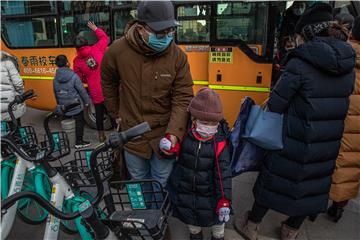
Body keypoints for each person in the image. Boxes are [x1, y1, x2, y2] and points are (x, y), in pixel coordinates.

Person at [234, 3, 356, 240]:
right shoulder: (348, 65)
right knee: (312, 185)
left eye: (297, 35)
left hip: (292, 137)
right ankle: (291, 230)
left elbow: (277, 104)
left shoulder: (299, 63)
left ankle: (251, 225)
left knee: (272, 180)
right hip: (327, 141)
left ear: (307, 34)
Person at [100, 1, 193, 188]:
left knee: (160, 182)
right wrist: (115, 113)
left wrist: (174, 133)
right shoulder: (116, 51)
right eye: (160, 32)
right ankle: (141, 217)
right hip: (131, 134)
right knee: (137, 182)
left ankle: (158, 217)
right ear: (140, 28)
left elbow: (183, 97)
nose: (167, 37)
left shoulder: (178, 56)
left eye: (170, 31)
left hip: (163, 135)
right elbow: (108, 82)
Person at [168, 88, 232, 240]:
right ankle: (195, 236)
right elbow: (176, 154)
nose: (208, 127)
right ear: (193, 120)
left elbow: (223, 175)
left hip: (211, 194)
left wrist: (224, 201)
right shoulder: (185, 135)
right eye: (204, 122)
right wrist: (171, 147)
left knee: (218, 225)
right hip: (187, 192)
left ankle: (218, 236)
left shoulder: (220, 143)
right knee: (192, 223)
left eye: (213, 123)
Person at [328, 16, 360, 222]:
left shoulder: (339, 52)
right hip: (357, 129)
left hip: (334, 119)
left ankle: (311, 209)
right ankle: (338, 207)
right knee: (351, 165)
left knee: (325, 163)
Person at [73, 20, 115, 142]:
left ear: (76, 48)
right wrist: (95, 29)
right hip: (107, 86)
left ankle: (101, 135)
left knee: (99, 112)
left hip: (94, 89)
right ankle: (117, 132)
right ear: (87, 43)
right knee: (111, 110)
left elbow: (79, 77)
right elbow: (105, 38)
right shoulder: (97, 49)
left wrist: (88, 77)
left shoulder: (77, 61)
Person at [53, 55, 91, 149]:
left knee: (66, 122)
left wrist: (60, 104)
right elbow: (81, 90)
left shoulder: (55, 78)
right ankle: (79, 141)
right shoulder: (73, 76)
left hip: (63, 106)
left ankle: (68, 142)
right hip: (75, 104)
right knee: (79, 122)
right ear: (67, 63)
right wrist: (87, 101)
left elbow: (56, 93)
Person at [1, 51, 25, 124]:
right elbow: (18, 83)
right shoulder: (8, 62)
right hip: (10, 102)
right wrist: (21, 94)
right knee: (15, 126)